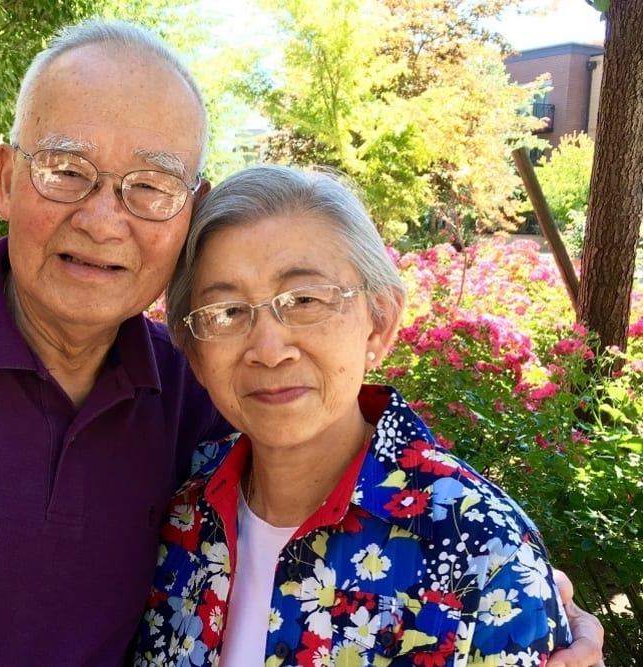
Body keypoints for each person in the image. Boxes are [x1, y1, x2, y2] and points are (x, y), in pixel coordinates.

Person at [0, 19, 602, 667]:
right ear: (5, 174)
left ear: (184, 212)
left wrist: (511, 588)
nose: (103, 218)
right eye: (66, 168)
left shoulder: (193, 407)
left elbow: (372, 490)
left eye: (150, 186)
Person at [133, 165, 588, 665]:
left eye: (305, 300)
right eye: (227, 312)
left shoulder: (481, 549)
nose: (267, 349)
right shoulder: (181, 514)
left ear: (379, 322)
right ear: (193, 351)